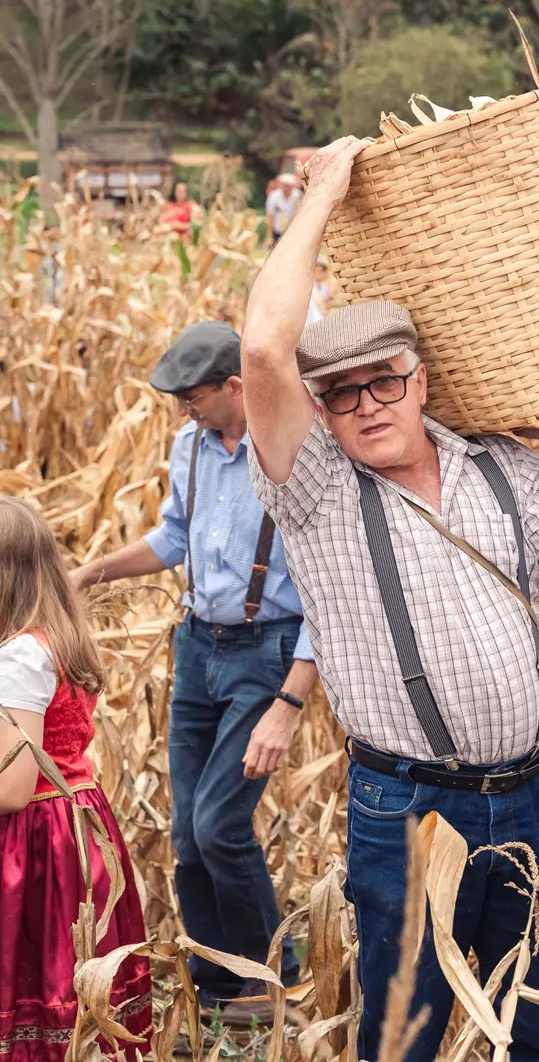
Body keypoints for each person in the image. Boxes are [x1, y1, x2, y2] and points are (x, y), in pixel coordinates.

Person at [240, 136, 539, 1062]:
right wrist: (329, 193)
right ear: (324, 413)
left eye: (386, 381)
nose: (369, 404)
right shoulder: (318, 488)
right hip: (409, 810)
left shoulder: (501, 466)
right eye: (342, 395)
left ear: (421, 381)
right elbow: (263, 347)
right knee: (404, 1036)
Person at [70, 322, 318, 1024]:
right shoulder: (193, 447)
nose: (183, 408)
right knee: (186, 833)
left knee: (219, 825)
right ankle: (217, 985)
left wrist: (291, 700)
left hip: (265, 651)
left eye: (192, 395)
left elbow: (333, 586)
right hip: (198, 649)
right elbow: (174, 534)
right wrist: (95, 569)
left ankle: (281, 981)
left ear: (235, 386)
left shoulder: (293, 453)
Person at [0, 497, 151, 1061]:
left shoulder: (17, 657)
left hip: (34, 838)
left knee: (38, 967)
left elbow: (12, 785)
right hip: (78, 820)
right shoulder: (52, 639)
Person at [266, 173, 303, 245]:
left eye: (289, 186)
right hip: (277, 231)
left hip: (292, 231)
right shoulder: (274, 196)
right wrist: (269, 236)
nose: (286, 188)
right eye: (284, 185)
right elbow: (270, 216)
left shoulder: (297, 195)